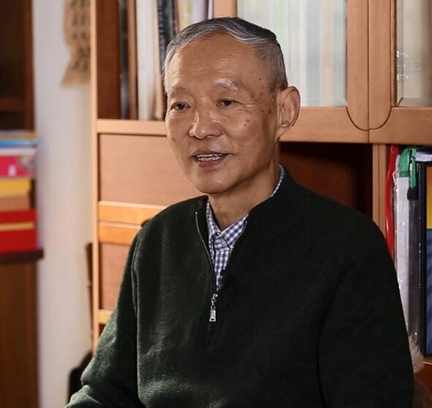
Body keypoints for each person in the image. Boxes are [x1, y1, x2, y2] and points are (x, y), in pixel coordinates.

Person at [68, 17, 414, 407]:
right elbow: (104, 392)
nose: (200, 128)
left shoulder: (348, 248)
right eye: (180, 105)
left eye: (226, 102)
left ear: (284, 110)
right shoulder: (157, 240)